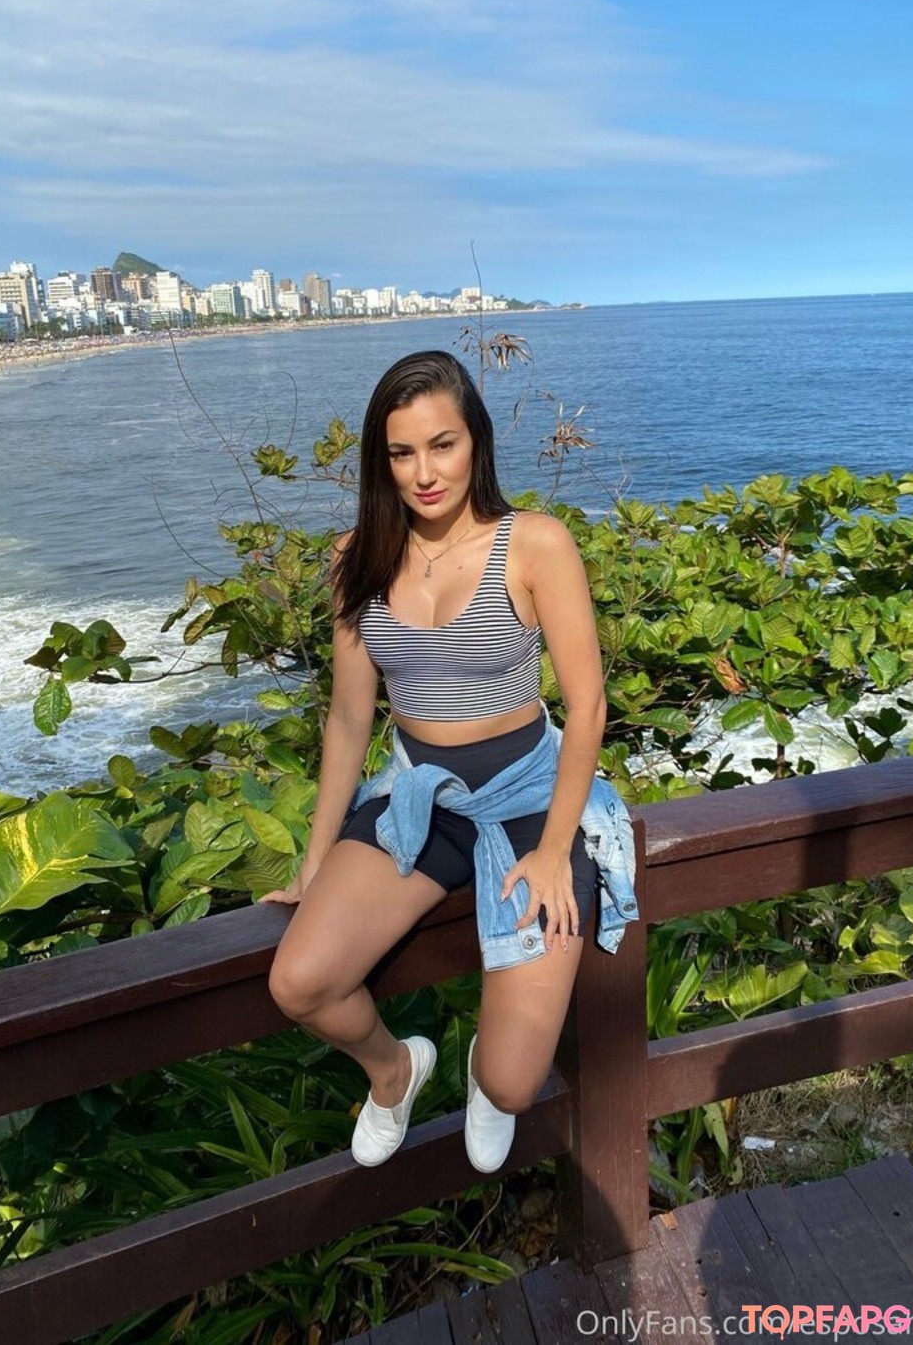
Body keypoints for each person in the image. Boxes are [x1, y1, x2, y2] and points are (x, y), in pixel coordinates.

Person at [262, 349, 636, 1174]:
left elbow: (588, 705)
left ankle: (483, 1073)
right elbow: (350, 718)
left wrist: (554, 850)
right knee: (301, 982)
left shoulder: (533, 543)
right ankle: (395, 1070)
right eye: (402, 452)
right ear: (382, 459)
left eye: (443, 445)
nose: (425, 473)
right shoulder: (356, 558)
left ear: (476, 442)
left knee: (513, 1081)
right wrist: (316, 858)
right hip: (421, 798)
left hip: (531, 801)